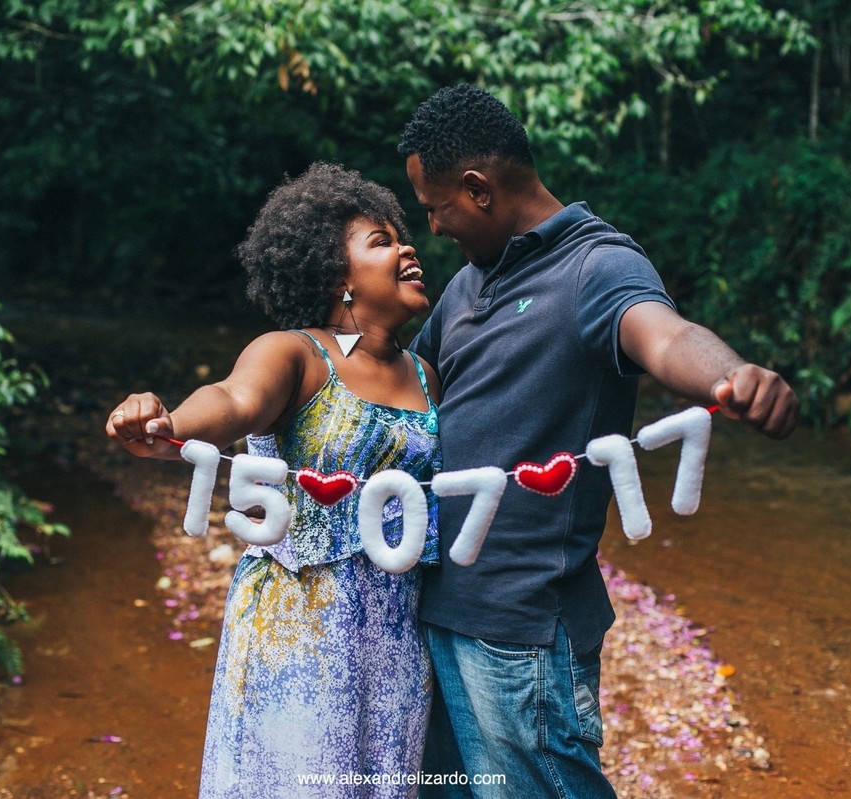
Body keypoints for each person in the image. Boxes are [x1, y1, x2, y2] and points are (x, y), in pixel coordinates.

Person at [397, 84, 799, 798]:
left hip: (521, 632)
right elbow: (405, 394)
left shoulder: (596, 265)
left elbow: (664, 334)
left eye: (436, 208)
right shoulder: (462, 289)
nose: (431, 226)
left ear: (478, 189)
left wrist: (733, 376)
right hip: (439, 607)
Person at [105, 163, 441, 799]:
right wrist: (170, 421)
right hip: (300, 630)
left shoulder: (427, 375)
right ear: (337, 277)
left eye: (403, 237)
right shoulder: (294, 353)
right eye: (381, 240)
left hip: (399, 637)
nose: (406, 247)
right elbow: (233, 401)